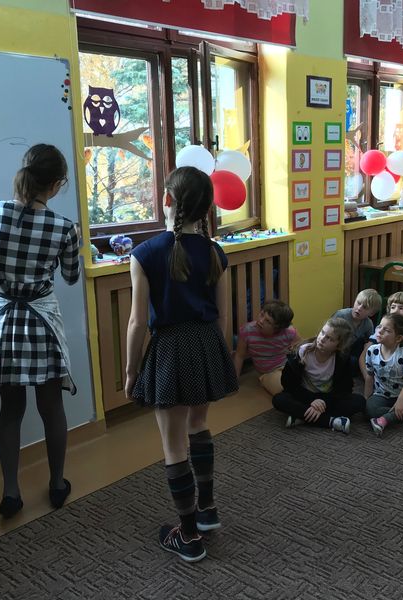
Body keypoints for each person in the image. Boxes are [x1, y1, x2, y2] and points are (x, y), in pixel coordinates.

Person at [125, 166, 239, 563]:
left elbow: (137, 322)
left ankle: (188, 536)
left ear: (167, 200)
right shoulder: (214, 251)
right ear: (207, 208)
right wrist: (215, 356)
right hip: (206, 342)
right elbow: (223, 316)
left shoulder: (144, 254)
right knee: (198, 424)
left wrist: (131, 372)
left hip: (171, 350)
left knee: (173, 444)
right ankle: (207, 510)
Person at [0, 144, 79, 519]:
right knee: (52, 407)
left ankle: (11, 493)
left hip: (3, 326)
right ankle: (57, 484)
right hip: (41, 324)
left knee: (11, 409)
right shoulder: (64, 228)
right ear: (57, 184)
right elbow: (71, 276)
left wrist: (3, 269)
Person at [272, 317, 365, 434]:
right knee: (279, 399)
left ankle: (302, 416)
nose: (322, 339)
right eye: (322, 332)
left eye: (330, 338)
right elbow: (288, 384)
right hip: (304, 395)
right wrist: (312, 400)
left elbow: (344, 390)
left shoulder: (343, 360)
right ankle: (331, 421)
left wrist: (323, 401)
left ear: (339, 346)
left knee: (359, 402)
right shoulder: (301, 352)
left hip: (328, 398)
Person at [233, 299, 299, 396]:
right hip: (268, 373)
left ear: (278, 328)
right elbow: (239, 355)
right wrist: (234, 381)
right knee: (282, 388)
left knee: (306, 377)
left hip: (287, 365)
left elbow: (300, 346)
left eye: (268, 321)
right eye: (262, 314)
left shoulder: (289, 332)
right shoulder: (247, 331)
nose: (261, 321)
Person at [332, 288, 383, 373]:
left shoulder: (368, 324)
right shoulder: (341, 315)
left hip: (351, 351)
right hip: (336, 349)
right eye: (358, 303)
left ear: (371, 313)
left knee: (354, 360)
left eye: (365, 307)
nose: (359, 308)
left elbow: (370, 341)